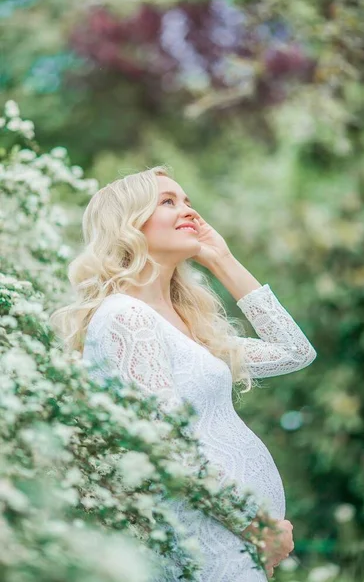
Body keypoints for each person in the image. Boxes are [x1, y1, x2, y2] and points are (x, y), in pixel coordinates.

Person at [50, 165, 317, 581]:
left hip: (229, 536)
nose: (189, 210)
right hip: (203, 535)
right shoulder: (126, 317)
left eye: (189, 201)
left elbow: (294, 351)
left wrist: (223, 259)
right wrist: (260, 529)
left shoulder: (191, 328)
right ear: (129, 225)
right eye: (168, 201)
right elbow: (169, 447)